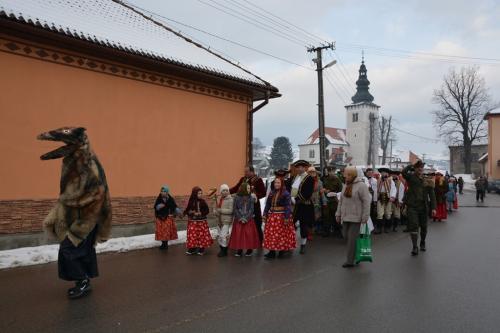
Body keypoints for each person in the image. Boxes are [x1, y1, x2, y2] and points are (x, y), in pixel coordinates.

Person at [335, 166, 371, 268]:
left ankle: (350, 261)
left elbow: (366, 202)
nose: (345, 177)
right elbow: (341, 201)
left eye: (346, 175)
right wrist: (338, 214)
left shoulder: (361, 186)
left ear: (352, 175)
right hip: (345, 216)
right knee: (345, 236)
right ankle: (356, 254)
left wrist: (365, 217)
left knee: (351, 239)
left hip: (356, 217)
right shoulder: (345, 185)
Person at [402, 160, 436, 256]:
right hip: (412, 207)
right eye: (418, 167)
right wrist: (411, 165)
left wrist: (433, 208)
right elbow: (403, 172)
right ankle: (414, 246)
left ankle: (422, 242)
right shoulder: (411, 178)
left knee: (424, 227)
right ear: (415, 169)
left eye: (421, 167)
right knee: (414, 226)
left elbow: (432, 195)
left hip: (424, 207)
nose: (420, 169)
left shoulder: (427, 180)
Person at [230, 165, 266, 244]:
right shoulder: (243, 179)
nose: (245, 173)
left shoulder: (258, 180)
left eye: (246, 171)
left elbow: (263, 193)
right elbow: (236, 188)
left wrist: (255, 196)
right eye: (244, 171)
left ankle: (259, 242)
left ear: (252, 172)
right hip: (242, 206)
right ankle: (245, 242)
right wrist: (226, 191)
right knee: (244, 224)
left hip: (254, 206)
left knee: (257, 224)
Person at [263, 177, 295, 259]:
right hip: (272, 217)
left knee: (281, 235)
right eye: (275, 183)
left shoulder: (286, 193)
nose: (276, 184)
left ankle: (281, 251)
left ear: (282, 184)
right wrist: (265, 214)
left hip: (281, 217)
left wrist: (287, 217)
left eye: (278, 183)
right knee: (272, 235)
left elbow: (288, 206)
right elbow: (267, 205)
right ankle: (272, 252)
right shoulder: (271, 193)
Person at [228, 182, 261, 257]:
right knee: (239, 235)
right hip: (239, 220)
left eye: (249, 188)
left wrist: (246, 218)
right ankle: (240, 249)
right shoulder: (236, 197)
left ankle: (249, 249)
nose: (249, 189)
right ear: (243, 188)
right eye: (248, 188)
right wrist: (240, 218)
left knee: (249, 235)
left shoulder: (251, 197)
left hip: (248, 220)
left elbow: (251, 209)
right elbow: (235, 209)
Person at [290, 160, 315, 254]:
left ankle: (303, 245)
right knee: (290, 224)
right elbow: (290, 188)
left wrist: (295, 199)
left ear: (305, 168)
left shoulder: (309, 178)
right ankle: (289, 243)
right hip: (293, 205)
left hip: (304, 205)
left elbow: (307, 193)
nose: (299, 168)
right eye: (298, 167)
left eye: (301, 167)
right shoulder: (294, 177)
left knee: (304, 225)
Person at [184, 187, 213, 255]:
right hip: (193, 222)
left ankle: (201, 248)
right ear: (194, 194)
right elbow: (187, 210)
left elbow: (207, 210)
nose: (200, 194)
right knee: (192, 235)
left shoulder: (203, 201)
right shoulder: (191, 201)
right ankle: (192, 248)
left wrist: (201, 213)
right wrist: (191, 212)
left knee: (201, 235)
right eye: (199, 193)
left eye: (201, 193)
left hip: (201, 222)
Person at [154, 185, 179, 250]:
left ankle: (165, 244)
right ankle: (163, 243)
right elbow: (155, 207)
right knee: (161, 232)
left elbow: (174, 206)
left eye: (164, 191)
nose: (163, 192)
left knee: (166, 231)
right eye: (162, 191)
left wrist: (176, 211)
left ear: (167, 192)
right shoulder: (159, 198)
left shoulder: (170, 199)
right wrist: (158, 207)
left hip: (167, 217)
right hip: (160, 217)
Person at [213, 184, 234, 257]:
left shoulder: (230, 199)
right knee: (220, 235)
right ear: (221, 192)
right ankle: (221, 248)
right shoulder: (219, 199)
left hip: (226, 220)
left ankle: (224, 250)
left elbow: (231, 211)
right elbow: (216, 208)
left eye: (226, 190)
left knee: (223, 235)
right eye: (223, 190)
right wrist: (215, 212)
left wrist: (221, 210)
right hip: (219, 220)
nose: (225, 192)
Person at [322, 166, 343, 237]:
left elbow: (341, 191)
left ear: (334, 171)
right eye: (329, 171)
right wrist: (325, 190)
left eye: (332, 171)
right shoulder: (325, 179)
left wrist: (334, 193)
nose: (331, 173)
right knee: (327, 216)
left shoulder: (338, 179)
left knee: (335, 216)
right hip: (327, 200)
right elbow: (323, 188)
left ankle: (338, 231)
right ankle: (326, 231)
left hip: (334, 200)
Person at [307, 166, 327, 237]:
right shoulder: (305, 181)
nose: (312, 173)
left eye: (313, 172)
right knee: (309, 216)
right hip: (308, 200)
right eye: (310, 172)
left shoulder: (319, 182)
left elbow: (322, 193)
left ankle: (317, 229)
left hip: (317, 200)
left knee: (317, 216)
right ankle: (309, 231)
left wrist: (324, 202)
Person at [375, 168, 396, 234]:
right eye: (382, 173)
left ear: (387, 173)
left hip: (388, 197)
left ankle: (387, 228)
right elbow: (376, 190)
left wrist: (392, 196)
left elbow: (393, 189)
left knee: (388, 213)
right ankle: (379, 228)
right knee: (379, 213)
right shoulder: (378, 180)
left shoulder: (390, 180)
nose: (383, 174)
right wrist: (375, 199)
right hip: (380, 197)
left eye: (385, 173)